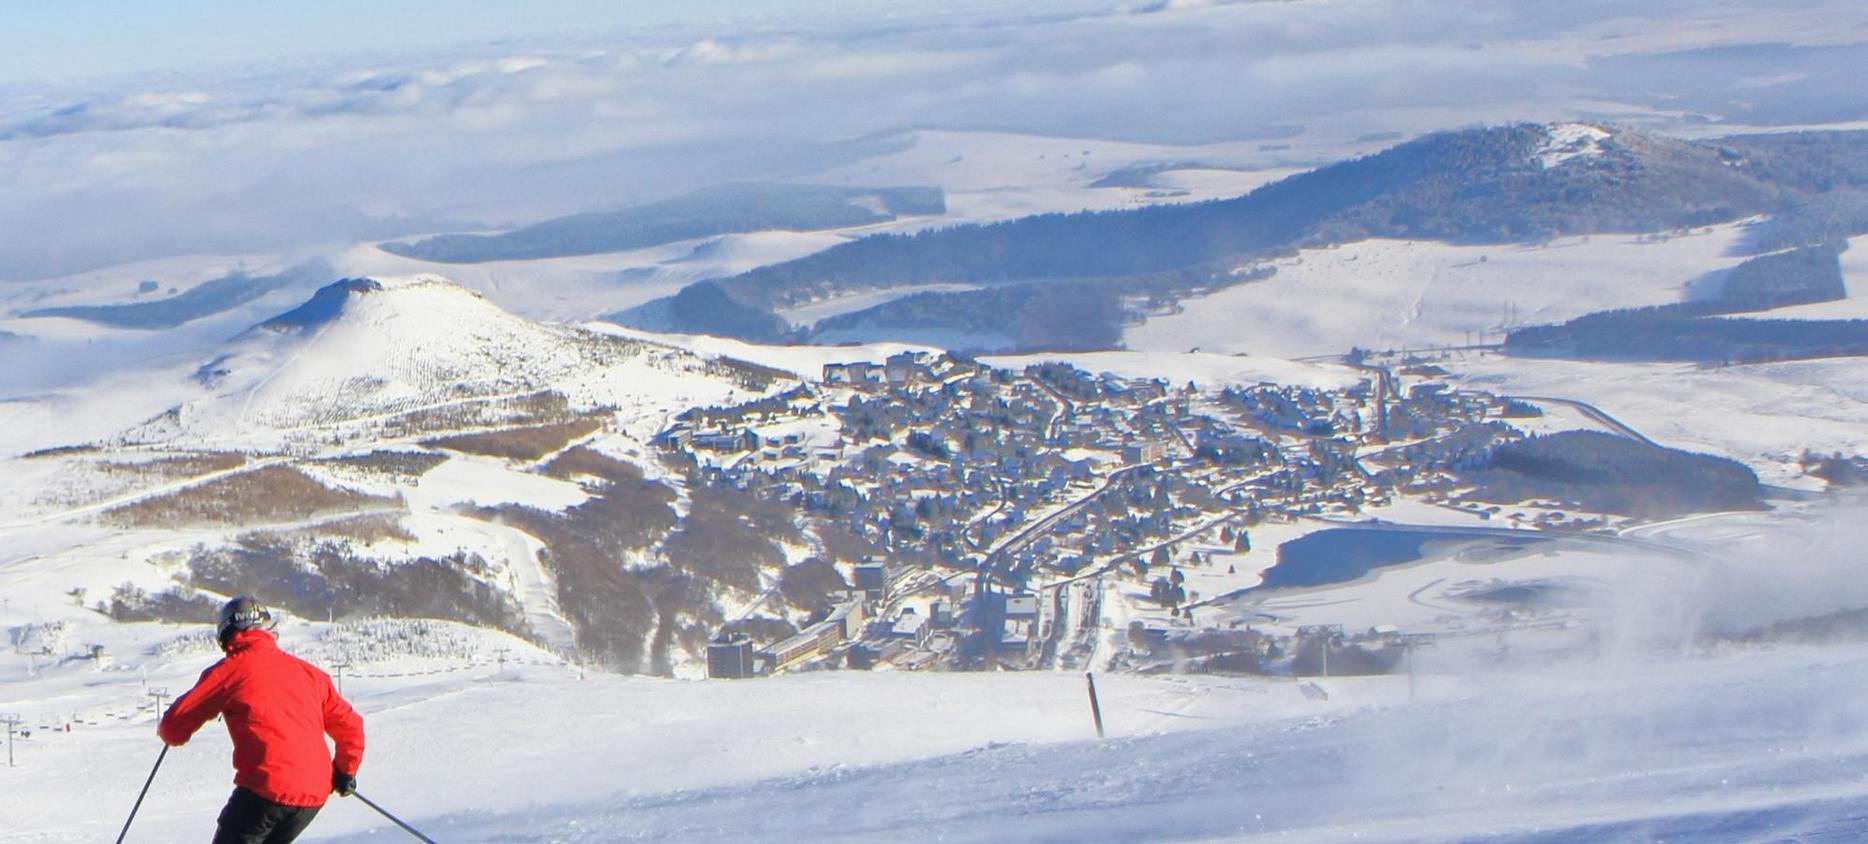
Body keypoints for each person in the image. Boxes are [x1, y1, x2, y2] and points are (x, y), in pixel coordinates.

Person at [159, 596, 365, 844]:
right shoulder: (310, 674)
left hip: (265, 789)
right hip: (313, 794)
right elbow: (351, 728)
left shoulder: (230, 671)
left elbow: (173, 729)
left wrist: (176, 726)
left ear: (226, 633)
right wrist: (344, 772)